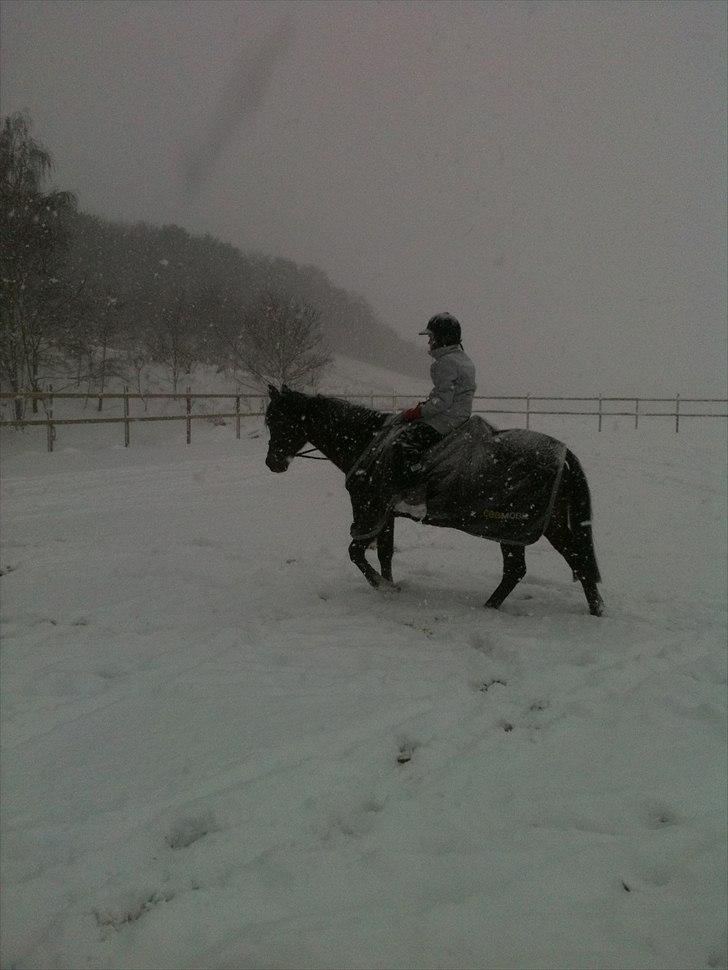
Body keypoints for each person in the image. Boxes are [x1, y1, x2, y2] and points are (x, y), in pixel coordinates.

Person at [390, 312, 477, 511]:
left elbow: (442, 402)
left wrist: (416, 413)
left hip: (447, 419)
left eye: (431, 337)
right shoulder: (462, 359)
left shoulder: (445, 363)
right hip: (460, 416)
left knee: (403, 442)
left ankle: (416, 495)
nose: (429, 342)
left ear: (442, 338)